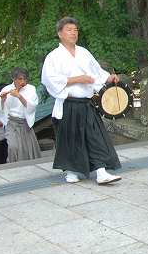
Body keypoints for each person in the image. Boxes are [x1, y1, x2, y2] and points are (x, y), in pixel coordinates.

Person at [41, 17, 121, 185]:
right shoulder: (53, 57)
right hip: (68, 103)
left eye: (76, 30)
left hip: (86, 103)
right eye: (69, 30)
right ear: (60, 34)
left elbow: (97, 72)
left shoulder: (84, 52)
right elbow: (50, 80)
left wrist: (108, 77)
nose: (73, 33)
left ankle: (101, 172)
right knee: (71, 139)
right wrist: (78, 79)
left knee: (95, 136)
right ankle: (71, 172)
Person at [0, 69, 41, 162]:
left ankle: (28, 167)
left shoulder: (31, 89)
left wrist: (19, 96)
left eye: (25, 79)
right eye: (20, 79)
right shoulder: (6, 89)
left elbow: (32, 107)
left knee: (28, 148)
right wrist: (2, 100)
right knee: (13, 147)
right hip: (11, 123)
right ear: (14, 79)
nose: (23, 81)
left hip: (25, 122)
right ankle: (13, 166)